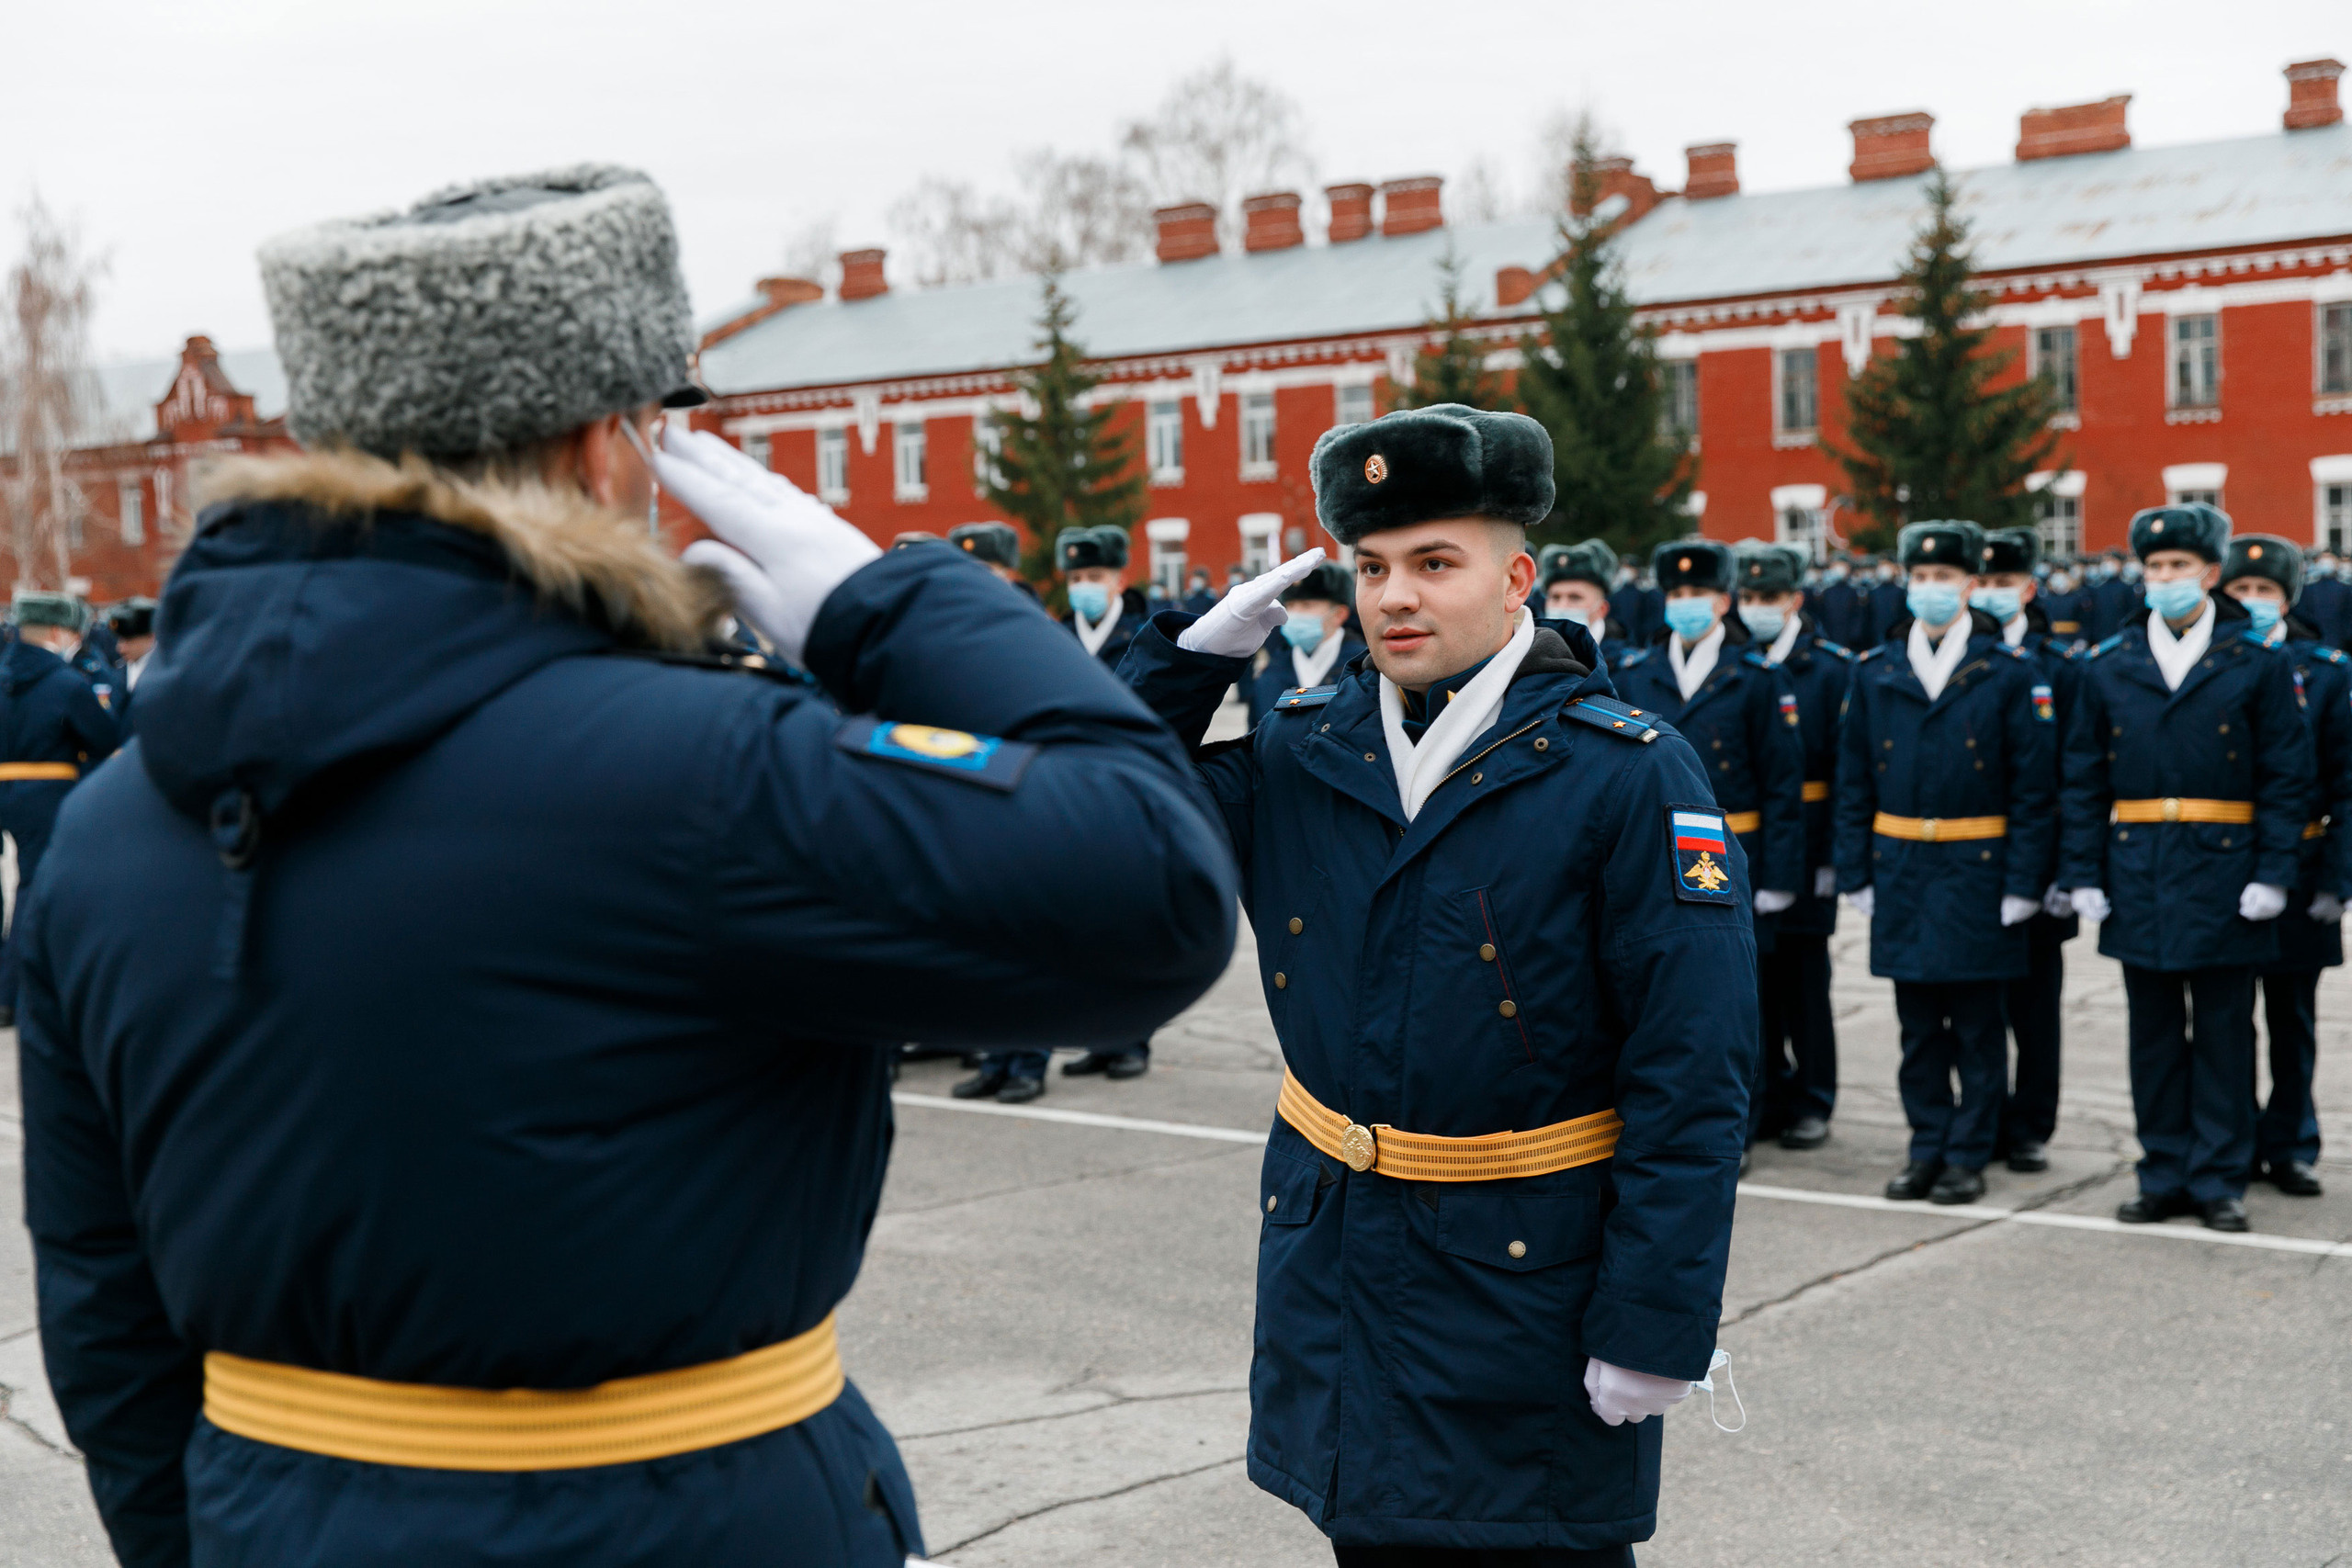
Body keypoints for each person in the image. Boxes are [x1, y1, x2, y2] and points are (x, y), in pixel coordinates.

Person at [17, 165, 1238, 1568]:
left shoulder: (112, 823)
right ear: (608, 451)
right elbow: (1157, 884)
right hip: (693, 1520)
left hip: (272, 1518)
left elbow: (103, 1301)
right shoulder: (707, 766)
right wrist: (890, 599)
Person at [1116, 401, 1751, 1565]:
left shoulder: (1627, 774)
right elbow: (1104, 829)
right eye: (1370, 567)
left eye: (1434, 563)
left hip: (1527, 1292)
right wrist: (1182, 666)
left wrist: (1655, 1321)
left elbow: (1692, 1072)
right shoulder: (1302, 750)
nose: (1395, 595)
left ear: (1518, 578)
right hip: (1341, 1267)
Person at [2060, 503, 2311, 1234]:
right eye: (2155, 567)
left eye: (2179, 566)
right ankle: (2162, 1169)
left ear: (2209, 572)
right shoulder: (2108, 664)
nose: (2165, 578)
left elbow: (2284, 777)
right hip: (2138, 867)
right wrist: (2085, 873)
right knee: (2155, 1034)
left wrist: (2274, 871)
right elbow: (2081, 778)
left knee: (2227, 1033)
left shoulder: (2257, 660)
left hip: (2225, 872)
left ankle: (2220, 1175)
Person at [1836, 522, 2057, 1205]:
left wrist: (2025, 882)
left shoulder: (2008, 670)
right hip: (1902, 864)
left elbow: (2033, 787)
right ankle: (1926, 1144)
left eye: (1946, 577)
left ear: (1969, 583)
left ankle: (1968, 1152)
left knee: (1980, 1027)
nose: (1932, 588)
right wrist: (1856, 871)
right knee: (1918, 1028)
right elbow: (1853, 780)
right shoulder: (1876, 670)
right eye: (1921, 577)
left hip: (1978, 869)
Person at [1615, 541, 1805, 1148]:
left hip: (1735, 849)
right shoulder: (1639, 672)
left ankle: (1746, 1120)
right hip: (1663, 851)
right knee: (1678, 997)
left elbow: (1782, 784)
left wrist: (1779, 875)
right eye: (1676, 594)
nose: (1686, 604)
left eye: (1698, 593)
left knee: (1743, 999)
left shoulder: (1757, 677)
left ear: (1724, 601)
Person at [2220, 536, 2346, 1199]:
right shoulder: (2215, 662)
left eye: (2264, 592)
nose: (2252, 603)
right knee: (2227, 1018)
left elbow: (2346, 782)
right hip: (2227, 863)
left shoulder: (2326, 670)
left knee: (2291, 1019)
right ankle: (2234, 1140)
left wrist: (2336, 878)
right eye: (2240, 591)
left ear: (2288, 598)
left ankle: (2293, 1142)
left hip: (2301, 862)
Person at [1969, 527, 2081, 1173]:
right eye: (1980, 581)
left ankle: (2032, 1123)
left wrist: (2063, 871)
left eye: (2002, 582)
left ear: (2029, 589)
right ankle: (1982, 1120)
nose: (1989, 593)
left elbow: (2072, 775)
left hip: (2037, 859)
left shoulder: (2057, 666)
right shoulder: (1962, 656)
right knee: (1978, 1004)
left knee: (2036, 1007)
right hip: (1971, 859)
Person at [1734, 542, 1852, 1151]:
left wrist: (1832, 857)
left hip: (1805, 843)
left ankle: (1813, 1097)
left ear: (1795, 601)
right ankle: (1769, 1093)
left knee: (1804, 983)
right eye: (1749, 597)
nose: (1757, 608)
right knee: (1755, 985)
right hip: (1748, 840)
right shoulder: (1738, 664)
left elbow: (1843, 772)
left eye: (1769, 598)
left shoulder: (1830, 669)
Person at [0, 592, 119, 1027]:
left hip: (6, 792)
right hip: (48, 795)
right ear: (55, 632)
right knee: (34, 888)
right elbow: (105, 739)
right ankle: (11, 992)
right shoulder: (65, 683)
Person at [1243, 558, 1362, 727]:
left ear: (1339, 614)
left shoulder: (1363, 671)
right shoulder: (1270, 673)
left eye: (1307, 605)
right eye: (1290, 605)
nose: (1295, 614)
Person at [1058, 523, 1149, 669]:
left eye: (1095, 577)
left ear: (1120, 582)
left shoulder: (1143, 636)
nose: (1084, 585)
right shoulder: (1059, 636)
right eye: (1075, 579)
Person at [1537, 538, 1635, 664]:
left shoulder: (1626, 667)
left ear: (1602, 609)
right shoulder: (1531, 660)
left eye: (1575, 597)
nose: (1562, 606)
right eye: (1555, 597)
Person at [945, 521, 1039, 600]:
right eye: (969, 570)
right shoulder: (949, 603)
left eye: (986, 569)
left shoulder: (1024, 606)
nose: (976, 577)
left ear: (1006, 573)